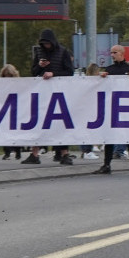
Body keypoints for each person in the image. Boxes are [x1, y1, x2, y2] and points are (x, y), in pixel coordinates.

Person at [23, 28, 77, 165]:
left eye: (48, 43)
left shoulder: (63, 52)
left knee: (60, 124)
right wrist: (40, 66)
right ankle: (34, 154)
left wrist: (53, 73)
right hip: (43, 93)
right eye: (44, 44)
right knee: (39, 123)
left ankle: (64, 153)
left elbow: (69, 71)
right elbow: (33, 71)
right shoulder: (39, 52)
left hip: (59, 93)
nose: (46, 46)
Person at [90, 46, 129, 175]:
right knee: (109, 136)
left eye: (114, 53)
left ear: (121, 53)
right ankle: (106, 164)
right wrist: (102, 78)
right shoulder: (110, 70)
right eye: (111, 53)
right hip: (113, 107)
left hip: (128, 107)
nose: (112, 55)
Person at [0, 64, 25, 161]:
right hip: (4, 110)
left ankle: (18, 151)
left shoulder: (19, 83)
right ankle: (7, 152)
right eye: (5, 76)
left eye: (9, 75)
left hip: (16, 109)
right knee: (4, 132)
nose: (7, 77)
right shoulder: (1, 84)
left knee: (16, 132)